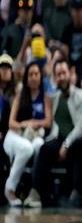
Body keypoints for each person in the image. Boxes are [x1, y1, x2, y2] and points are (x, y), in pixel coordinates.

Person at [32, 59, 82, 206]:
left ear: (70, 73)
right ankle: (41, 195)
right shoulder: (55, 98)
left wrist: (66, 144)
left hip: (77, 142)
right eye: (58, 74)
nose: (62, 77)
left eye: (64, 73)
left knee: (79, 145)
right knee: (44, 149)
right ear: (55, 77)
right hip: (60, 139)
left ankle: (76, 193)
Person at [3, 62, 52, 207]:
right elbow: (11, 123)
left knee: (40, 146)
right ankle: (9, 188)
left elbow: (48, 122)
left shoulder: (45, 98)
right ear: (26, 78)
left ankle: (34, 190)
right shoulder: (19, 96)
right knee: (26, 148)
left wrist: (34, 123)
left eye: (36, 74)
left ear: (41, 77)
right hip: (15, 136)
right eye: (30, 74)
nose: (33, 77)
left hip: (34, 136)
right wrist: (25, 124)